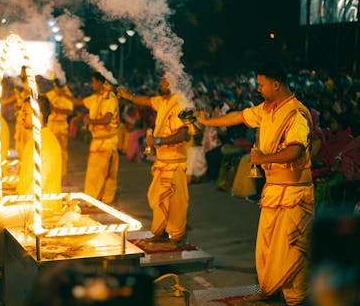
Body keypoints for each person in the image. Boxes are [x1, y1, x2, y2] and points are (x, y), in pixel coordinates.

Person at [197, 63, 314, 305]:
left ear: (275, 84)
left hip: (294, 195)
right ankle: (270, 291)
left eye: (260, 84)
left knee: (291, 252)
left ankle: (296, 300)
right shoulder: (266, 109)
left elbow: (294, 151)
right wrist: (209, 121)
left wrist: (263, 159)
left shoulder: (296, 114)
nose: (257, 88)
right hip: (273, 192)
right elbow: (239, 116)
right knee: (267, 249)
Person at [118, 75, 192, 246]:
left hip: (174, 163)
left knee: (176, 202)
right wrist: (127, 96)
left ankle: (176, 234)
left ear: (174, 83)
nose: (161, 83)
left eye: (165, 81)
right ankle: (160, 231)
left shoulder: (180, 104)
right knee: (157, 198)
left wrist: (158, 141)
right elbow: (145, 100)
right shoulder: (162, 101)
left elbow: (184, 134)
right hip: (161, 161)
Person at [64, 72, 120, 204]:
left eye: (94, 82)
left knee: (96, 174)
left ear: (100, 82)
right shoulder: (95, 97)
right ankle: (104, 199)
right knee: (105, 173)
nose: (92, 84)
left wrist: (90, 121)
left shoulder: (109, 98)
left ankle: (93, 200)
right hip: (100, 141)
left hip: (106, 142)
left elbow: (107, 119)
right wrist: (62, 95)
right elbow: (79, 102)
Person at [45, 78, 74, 179]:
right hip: (50, 125)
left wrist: (57, 109)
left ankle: (61, 173)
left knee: (62, 151)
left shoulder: (67, 96)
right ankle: (50, 170)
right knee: (49, 149)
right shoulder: (50, 94)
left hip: (61, 126)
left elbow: (70, 112)